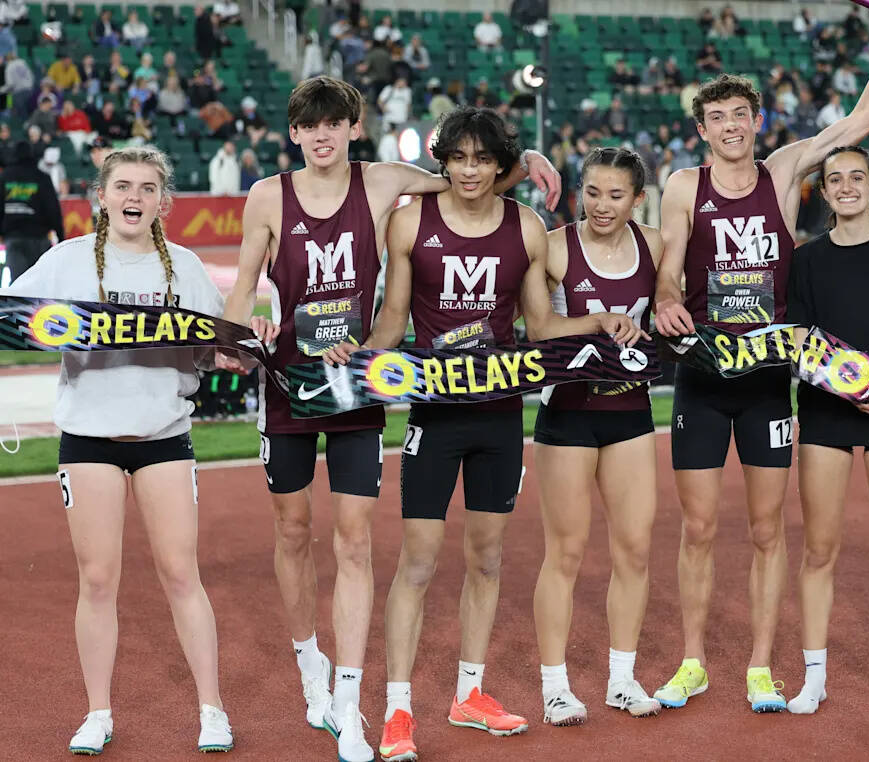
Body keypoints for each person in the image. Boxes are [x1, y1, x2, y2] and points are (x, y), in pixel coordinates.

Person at [220, 79, 559, 762]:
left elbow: (469, 177)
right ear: (293, 133)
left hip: (359, 385)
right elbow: (241, 286)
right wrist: (236, 337)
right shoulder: (266, 196)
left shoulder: (381, 185)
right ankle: (308, 660)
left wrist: (534, 162)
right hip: (289, 382)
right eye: (308, 126)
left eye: (334, 124)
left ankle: (350, 703)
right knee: (291, 531)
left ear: (354, 127)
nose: (321, 136)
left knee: (351, 542)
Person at [333, 106, 637, 762]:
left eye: (481, 159)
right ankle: (397, 709)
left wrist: (598, 319)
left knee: (488, 558)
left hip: (501, 416)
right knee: (417, 560)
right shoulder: (412, 221)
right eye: (457, 158)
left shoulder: (527, 228)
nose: (468, 171)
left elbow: (539, 327)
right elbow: (392, 321)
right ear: (443, 159)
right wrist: (357, 355)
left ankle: (470, 694)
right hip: (435, 416)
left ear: (502, 166)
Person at [651, 0, 869, 714]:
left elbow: (861, 123)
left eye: (742, 115)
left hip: (769, 380)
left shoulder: (784, 169)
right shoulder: (682, 186)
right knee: (698, 527)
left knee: (769, 530)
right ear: (701, 130)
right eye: (719, 118)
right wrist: (669, 297)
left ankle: (761, 666)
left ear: (757, 121)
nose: (732, 127)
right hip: (703, 377)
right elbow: (668, 268)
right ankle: (693, 661)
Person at [1, 146, 234, 754]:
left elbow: (214, 350)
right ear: (100, 196)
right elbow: (13, 321)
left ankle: (212, 708)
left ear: (164, 201)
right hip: (88, 441)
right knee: (98, 579)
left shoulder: (184, 267)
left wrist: (234, 350)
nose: (135, 197)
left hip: (163, 437)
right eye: (123, 185)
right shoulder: (65, 261)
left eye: (149, 187)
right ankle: (97, 712)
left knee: (182, 574)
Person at [784, 145, 869, 717]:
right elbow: (797, 342)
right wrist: (850, 387)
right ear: (824, 190)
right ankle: (813, 677)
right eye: (834, 179)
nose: (845, 187)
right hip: (826, 414)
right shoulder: (807, 259)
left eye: (856, 178)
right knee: (819, 549)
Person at [532, 147, 665, 726]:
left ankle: (621, 677)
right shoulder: (556, 246)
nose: (602, 205)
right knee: (564, 552)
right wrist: (599, 320)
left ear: (638, 199)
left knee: (634, 549)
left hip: (631, 413)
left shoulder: (655, 246)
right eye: (592, 192)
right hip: (567, 414)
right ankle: (555, 686)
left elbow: (671, 304)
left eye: (616, 195)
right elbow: (537, 328)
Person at [0, 140, 64, 279]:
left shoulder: (4, 177)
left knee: (18, 286)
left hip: (14, 238)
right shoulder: (42, 177)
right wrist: (60, 236)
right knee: (39, 285)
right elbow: (53, 209)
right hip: (39, 238)